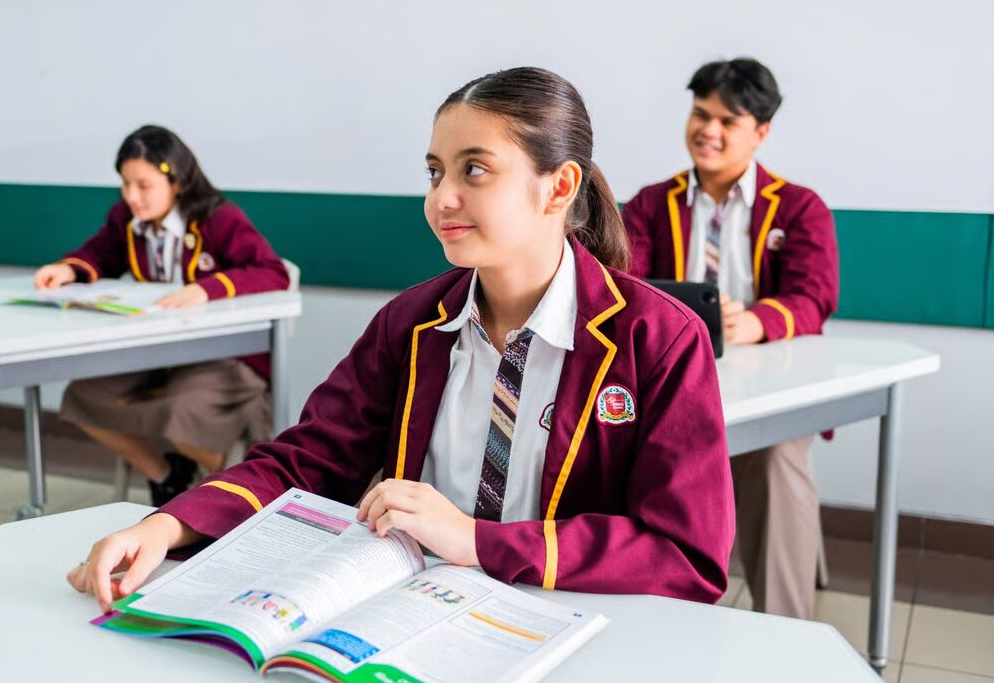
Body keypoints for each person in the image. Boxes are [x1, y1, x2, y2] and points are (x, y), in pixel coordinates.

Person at [67, 68, 734, 612]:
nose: (441, 198)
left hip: (571, 627)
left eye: (475, 170)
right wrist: (169, 524)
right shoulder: (412, 323)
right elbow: (306, 461)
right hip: (413, 614)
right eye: (435, 171)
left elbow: (686, 554)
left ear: (558, 186)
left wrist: (479, 541)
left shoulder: (658, 339)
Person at [622, 58, 840, 619]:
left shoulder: (800, 207)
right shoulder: (651, 203)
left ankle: (785, 628)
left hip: (768, 381)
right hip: (676, 379)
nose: (708, 131)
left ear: (760, 132)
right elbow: (625, 284)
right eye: (700, 114)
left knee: (775, 456)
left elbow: (814, 295)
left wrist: (758, 322)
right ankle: (661, 612)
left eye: (728, 121)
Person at [34, 125, 289, 505]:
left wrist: (207, 288)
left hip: (220, 356)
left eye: (143, 185)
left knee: (181, 410)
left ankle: (232, 487)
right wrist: (70, 269)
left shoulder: (219, 219)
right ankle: (167, 476)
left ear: (177, 180)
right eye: (125, 184)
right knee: (82, 396)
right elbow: (100, 253)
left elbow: (272, 271)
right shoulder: (126, 219)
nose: (131, 196)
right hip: (156, 353)